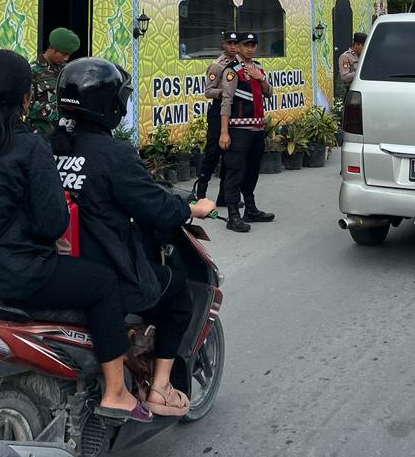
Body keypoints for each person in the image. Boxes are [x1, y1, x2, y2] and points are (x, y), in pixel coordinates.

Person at [0, 49, 152, 423]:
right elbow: (52, 224)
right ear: (25, 98)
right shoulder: (28, 145)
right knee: (101, 282)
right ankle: (117, 392)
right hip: (11, 275)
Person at [50, 58, 217, 418]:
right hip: (104, 273)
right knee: (177, 294)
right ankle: (160, 388)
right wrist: (191, 209)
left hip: (55, 269)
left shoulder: (49, 146)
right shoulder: (113, 153)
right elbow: (154, 207)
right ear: (110, 104)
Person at [216, 32, 273, 233]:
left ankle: (250, 209)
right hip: (238, 129)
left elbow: (269, 92)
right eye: (246, 45)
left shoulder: (257, 68)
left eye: (253, 45)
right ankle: (233, 215)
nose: (250, 48)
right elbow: (226, 101)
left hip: (257, 128)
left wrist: (261, 79)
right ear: (238, 47)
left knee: (252, 170)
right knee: (235, 171)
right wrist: (224, 132)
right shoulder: (232, 71)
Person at [193, 31, 238, 203]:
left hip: (232, 111)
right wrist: (226, 92)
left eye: (235, 44)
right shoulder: (217, 65)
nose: (233, 47)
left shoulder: (239, 64)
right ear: (223, 45)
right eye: (229, 44)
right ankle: (201, 193)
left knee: (230, 155)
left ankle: (224, 195)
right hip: (217, 111)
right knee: (212, 153)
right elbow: (208, 92)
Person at [28, 28, 80, 138]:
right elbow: (26, 106)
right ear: (52, 48)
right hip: (41, 135)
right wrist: (55, 110)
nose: (66, 58)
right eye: (64, 54)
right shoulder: (32, 71)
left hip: (66, 135)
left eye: (69, 55)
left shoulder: (68, 71)